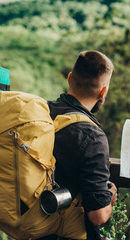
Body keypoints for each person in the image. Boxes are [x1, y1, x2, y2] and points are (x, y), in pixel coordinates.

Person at [45, 50, 118, 240]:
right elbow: (98, 216)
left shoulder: (42, 113)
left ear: (70, 78)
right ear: (103, 91)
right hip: (67, 233)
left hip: (31, 227)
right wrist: (109, 198)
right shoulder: (94, 137)